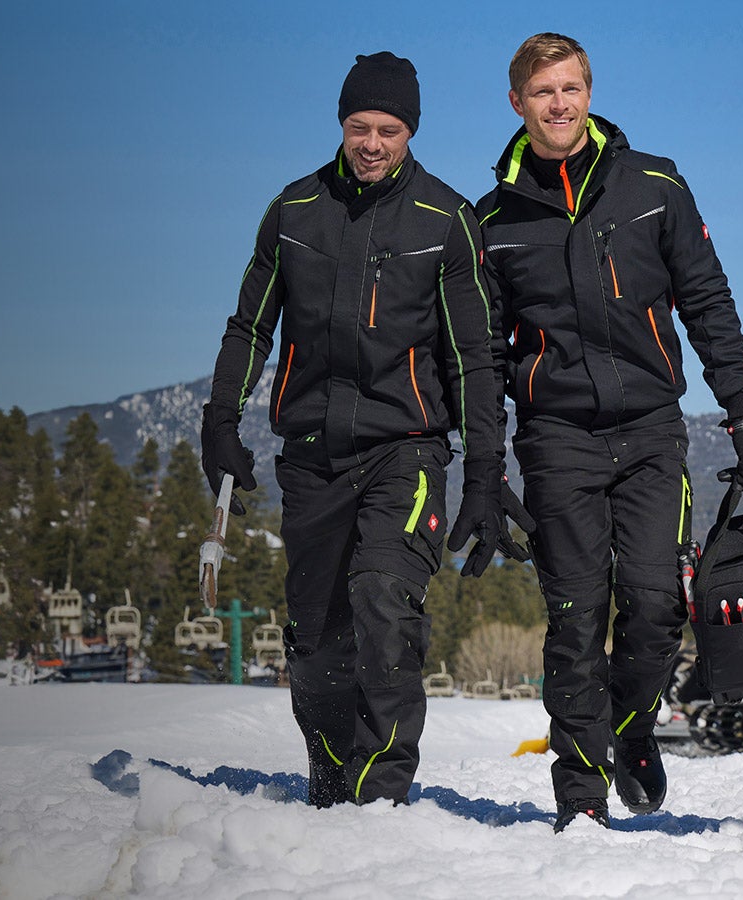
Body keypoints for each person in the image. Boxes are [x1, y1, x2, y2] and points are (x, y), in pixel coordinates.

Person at [474, 33, 743, 831]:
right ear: (517, 103)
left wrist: (740, 410)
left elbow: (707, 299)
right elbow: (481, 360)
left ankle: (633, 724)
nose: (560, 104)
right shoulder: (493, 222)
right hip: (556, 438)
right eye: (543, 92)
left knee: (652, 604)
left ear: (590, 93)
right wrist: (484, 465)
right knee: (574, 617)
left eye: (571, 88)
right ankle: (581, 799)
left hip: (649, 431)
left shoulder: (653, 186)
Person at [201, 52, 511, 808]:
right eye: (359, 127)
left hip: (406, 450)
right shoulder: (294, 212)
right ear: (341, 125)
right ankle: (332, 779)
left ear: (411, 131)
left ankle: (380, 796)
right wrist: (219, 420)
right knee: (315, 637)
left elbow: (474, 356)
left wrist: (486, 470)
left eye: (390, 130)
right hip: (310, 457)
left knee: (382, 600)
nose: (373, 143)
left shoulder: (445, 220)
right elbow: (250, 327)